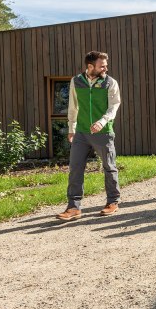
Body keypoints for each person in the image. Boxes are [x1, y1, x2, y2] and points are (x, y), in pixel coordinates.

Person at [56, 51, 122, 221]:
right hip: (82, 133)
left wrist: (102, 121)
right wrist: (72, 127)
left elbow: (114, 106)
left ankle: (112, 201)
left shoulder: (110, 82)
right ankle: (73, 207)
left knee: (109, 166)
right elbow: (73, 106)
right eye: (102, 65)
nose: (105, 68)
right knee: (75, 168)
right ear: (90, 66)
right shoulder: (76, 81)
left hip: (103, 132)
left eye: (106, 65)